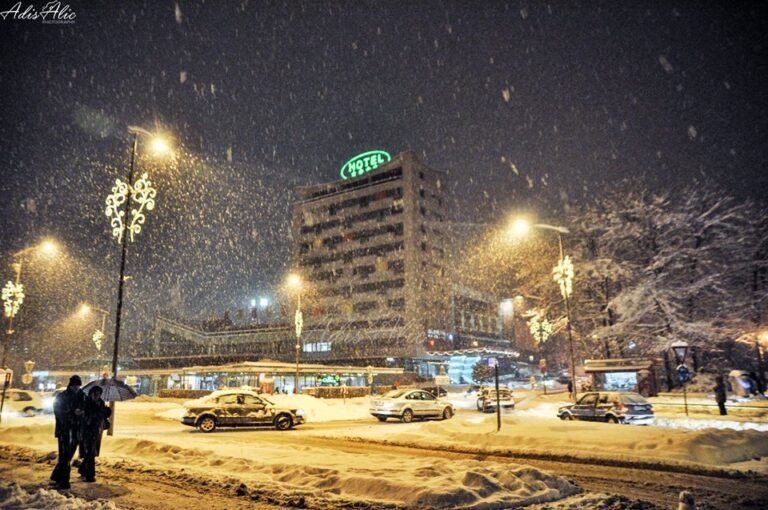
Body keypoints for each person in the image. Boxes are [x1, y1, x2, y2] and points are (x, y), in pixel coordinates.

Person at [50, 375, 85, 489]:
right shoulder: (62, 396)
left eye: (78, 385)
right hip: (64, 430)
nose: (76, 387)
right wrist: (72, 412)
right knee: (64, 455)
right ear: (70, 385)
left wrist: (82, 413)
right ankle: (64, 481)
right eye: (74, 385)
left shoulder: (83, 396)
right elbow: (58, 411)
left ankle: (57, 476)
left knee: (68, 456)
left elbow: (87, 408)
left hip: (77, 430)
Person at [77, 386, 111, 483]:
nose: (97, 396)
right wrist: (95, 411)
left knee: (91, 452)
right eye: (95, 393)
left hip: (96, 431)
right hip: (86, 431)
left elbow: (102, 415)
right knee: (90, 452)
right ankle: (90, 475)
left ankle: (83, 469)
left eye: (99, 394)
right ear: (91, 393)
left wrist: (107, 411)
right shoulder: (85, 402)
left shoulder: (100, 402)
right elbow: (84, 415)